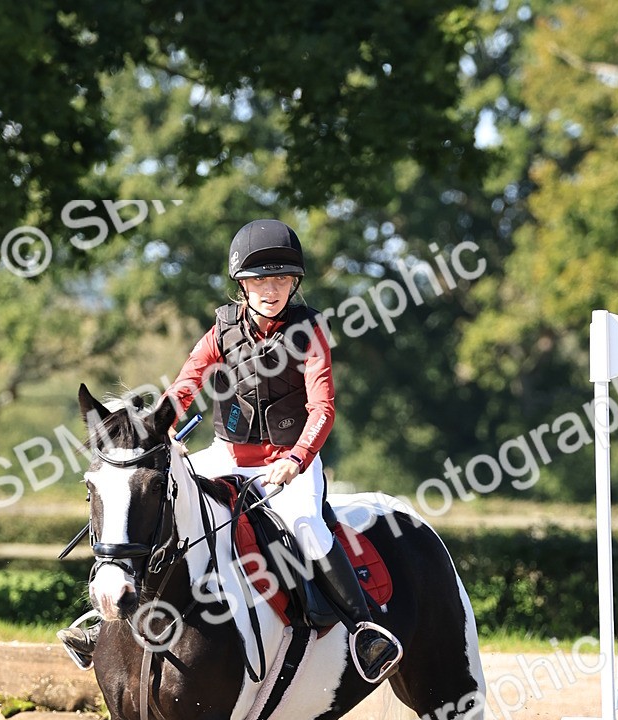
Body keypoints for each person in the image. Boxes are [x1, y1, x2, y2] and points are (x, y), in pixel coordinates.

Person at [59, 219, 402, 683]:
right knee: (148, 491)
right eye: (260, 280)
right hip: (229, 452)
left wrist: (295, 460)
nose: (271, 289)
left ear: (293, 283)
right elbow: (185, 385)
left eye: (281, 280)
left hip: (290, 461)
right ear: (242, 284)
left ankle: (366, 630)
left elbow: (322, 407)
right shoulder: (221, 330)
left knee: (307, 527)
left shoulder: (309, 333)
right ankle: (102, 622)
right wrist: (156, 431)